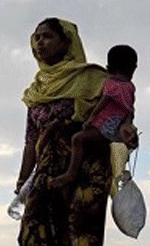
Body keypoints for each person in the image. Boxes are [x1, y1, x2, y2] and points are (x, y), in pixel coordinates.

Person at [16, 18, 113, 246]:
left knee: (80, 233)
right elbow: (30, 140)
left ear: (66, 41)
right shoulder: (36, 89)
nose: (40, 43)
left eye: (47, 37)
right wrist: (22, 179)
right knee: (36, 233)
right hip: (47, 174)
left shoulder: (92, 78)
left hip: (85, 168)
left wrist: (126, 131)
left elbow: (116, 113)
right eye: (36, 38)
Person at [50, 45, 139, 188]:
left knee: (77, 139)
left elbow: (103, 102)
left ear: (108, 68)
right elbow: (129, 109)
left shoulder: (110, 83)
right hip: (117, 129)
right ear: (133, 68)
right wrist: (127, 123)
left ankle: (70, 173)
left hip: (103, 127)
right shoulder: (130, 87)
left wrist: (91, 118)